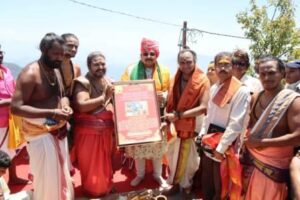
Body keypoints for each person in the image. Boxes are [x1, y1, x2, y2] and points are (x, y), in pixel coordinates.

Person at [10, 33, 74, 200]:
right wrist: (52, 113)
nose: (60, 58)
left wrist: (65, 106)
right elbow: (16, 108)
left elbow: (63, 95)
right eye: (55, 54)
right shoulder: (30, 73)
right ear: (44, 50)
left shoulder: (56, 69)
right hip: (39, 134)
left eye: (62, 54)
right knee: (46, 179)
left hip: (58, 130)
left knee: (61, 175)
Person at [242, 55, 300, 200]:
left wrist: (261, 143)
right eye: (262, 74)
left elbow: (298, 137)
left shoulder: (293, 101)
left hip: (273, 169)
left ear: (282, 74)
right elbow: (250, 127)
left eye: (272, 73)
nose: (266, 77)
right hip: (250, 162)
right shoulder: (255, 97)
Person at [199, 52, 251, 200]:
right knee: (207, 180)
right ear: (215, 68)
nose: (223, 68)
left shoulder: (241, 90)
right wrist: (202, 135)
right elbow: (208, 116)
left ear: (233, 67)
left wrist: (221, 148)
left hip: (225, 147)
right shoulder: (215, 87)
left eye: (227, 64)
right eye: (219, 65)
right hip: (209, 142)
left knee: (221, 184)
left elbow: (236, 123)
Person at [121, 38, 170, 187]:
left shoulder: (165, 71)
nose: (149, 56)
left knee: (157, 147)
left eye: (152, 53)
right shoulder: (130, 70)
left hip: (158, 115)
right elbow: (122, 89)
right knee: (139, 146)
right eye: (145, 53)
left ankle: (157, 175)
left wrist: (165, 95)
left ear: (157, 55)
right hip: (137, 115)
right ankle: (140, 175)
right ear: (140, 55)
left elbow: (171, 91)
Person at [162, 49, 210, 195]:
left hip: (192, 125)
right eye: (182, 62)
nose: (185, 65)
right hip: (174, 126)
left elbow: (203, 108)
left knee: (190, 159)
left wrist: (179, 115)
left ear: (195, 62)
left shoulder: (203, 79)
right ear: (178, 63)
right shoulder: (175, 78)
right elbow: (169, 103)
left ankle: (187, 186)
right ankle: (175, 184)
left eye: (189, 62)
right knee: (172, 155)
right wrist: (167, 115)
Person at [72, 51, 114, 197]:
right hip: (89, 134)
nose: (100, 67)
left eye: (102, 64)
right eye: (96, 64)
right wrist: (105, 97)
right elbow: (82, 105)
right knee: (92, 165)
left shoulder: (107, 80)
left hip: (107, 132)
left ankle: (106, 187)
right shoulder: (82, 82)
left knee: (106, 162)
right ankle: (93, 191)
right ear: (89, 65)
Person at [0, 45, 28, 185]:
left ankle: (13, 177)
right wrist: (10, 101)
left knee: (13, 149)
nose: (0, 55)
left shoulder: (6, 71)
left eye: (0, 52)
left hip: (12, 119)